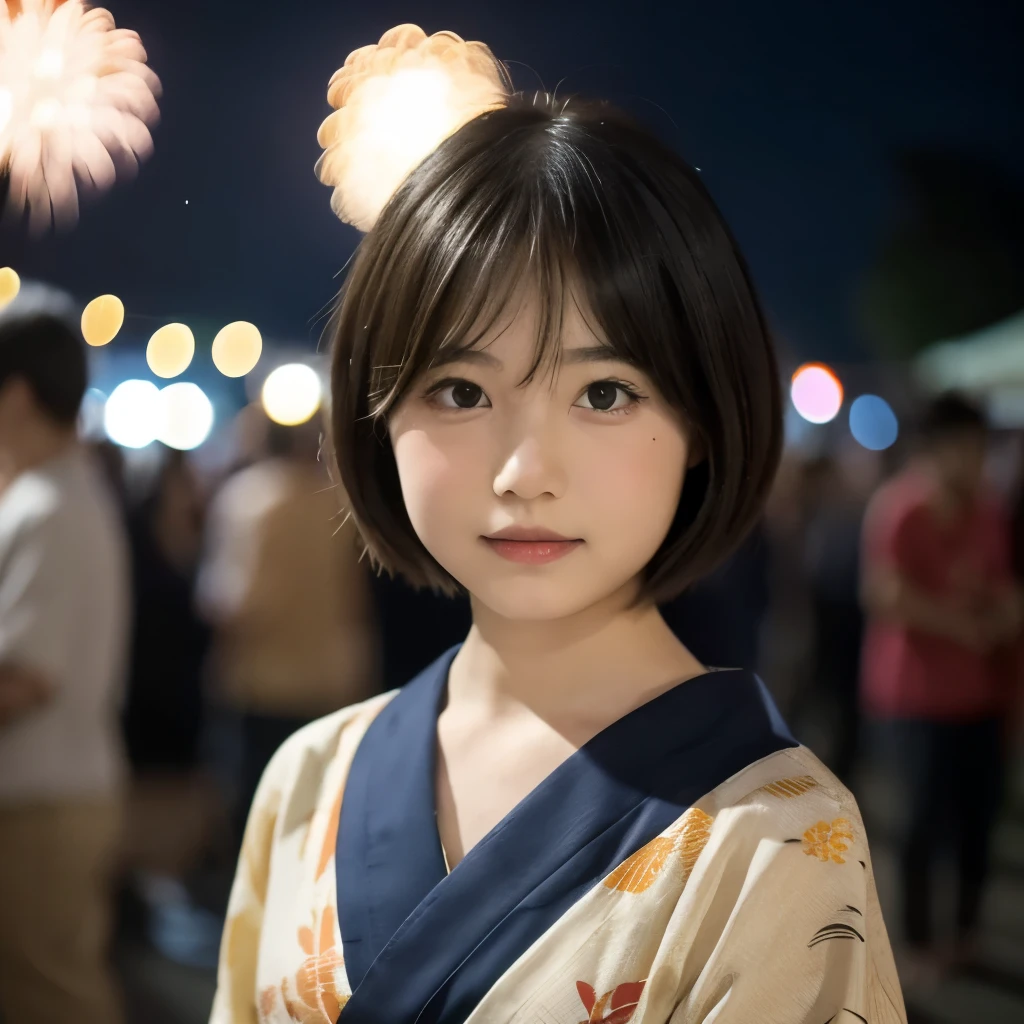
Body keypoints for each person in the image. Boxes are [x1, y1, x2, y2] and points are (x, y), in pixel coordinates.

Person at [211, 25, 905, 1024]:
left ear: (702, 418)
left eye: (605, 392)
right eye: (458, 389)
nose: (524, 472)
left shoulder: (780, 837)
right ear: (377, 412)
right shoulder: (309, 775)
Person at [0, 292, 130, 1024]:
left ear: (16, 395)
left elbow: (23, 677)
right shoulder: (63, 495)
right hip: (56, 792)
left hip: (40, 800)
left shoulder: (47, 506)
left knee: (47, 994)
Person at [860, 393, 1022, 984]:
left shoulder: (989, 511)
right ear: (937, 448)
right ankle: (920, 941)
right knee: (923, 824)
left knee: (979, 821)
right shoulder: (901, 508)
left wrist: (1000, 616)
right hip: (916, 698)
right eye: (965, 447)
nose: (975, 459)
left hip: (980, 697)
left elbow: (1004, 587)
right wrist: (963, 626)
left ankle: (968, 933)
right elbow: (886, 594)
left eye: (980, 447)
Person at [197, 415, 378, 840]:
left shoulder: (248, 498)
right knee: (314, 821)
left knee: (257, 819)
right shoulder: (336, 502)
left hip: (261, 683)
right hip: (333, 681)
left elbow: (234, 603)